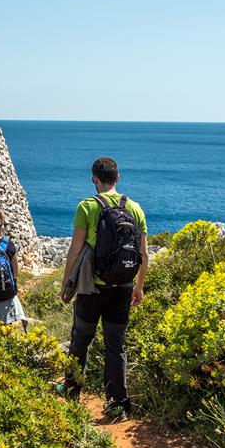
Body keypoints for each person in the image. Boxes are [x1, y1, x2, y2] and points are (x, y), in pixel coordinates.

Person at [58, 157, 148, 421]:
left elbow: (75, 251)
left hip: (91, 287)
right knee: (115, 345)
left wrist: (67, 283)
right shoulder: (135, 208)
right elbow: (143, 253)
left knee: (81, 339)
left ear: (94, 179)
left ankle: (72, 390)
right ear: (118, 178)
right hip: (123, 287)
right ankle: (117, 404)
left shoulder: (87, 207)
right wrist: (139, 287)